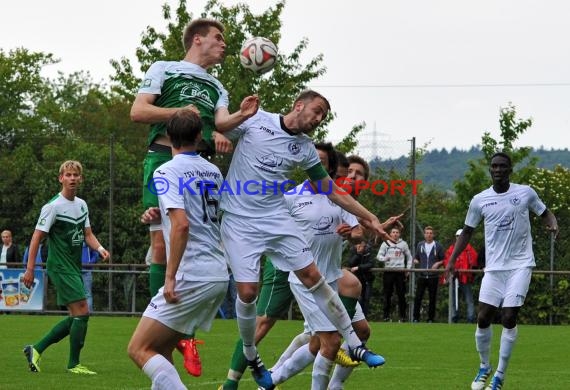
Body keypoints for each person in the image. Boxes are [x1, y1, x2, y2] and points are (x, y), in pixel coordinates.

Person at [216, 91, 395, 388]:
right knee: (247, 294)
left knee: (318, 279)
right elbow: (215, 127)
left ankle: (356, 345)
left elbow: (334, 191)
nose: (318, 118)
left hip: (274, 218)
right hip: (239, 219)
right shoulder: (257, 119)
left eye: (323, 115)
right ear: (298, 104)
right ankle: (251, 356)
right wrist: (226, 124)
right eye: (317, 110)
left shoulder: (305, 148)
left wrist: (370, 218)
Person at [131, 17, 259, 376]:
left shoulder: (217, 85)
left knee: (195, 235)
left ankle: (180, 332)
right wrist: (179, 113)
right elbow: (138, 111)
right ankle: (175, 327)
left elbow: (217, 124)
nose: (224, 44)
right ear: (197, 39)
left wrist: (239, 118)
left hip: (197, 163)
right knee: (160, 244)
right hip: (163, 156)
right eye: (218, 38)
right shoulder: (165, 69)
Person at [218, 144, 370, 390]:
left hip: (324, 274)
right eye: (346, 173)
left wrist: (367, 230)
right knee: (267, 324)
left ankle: (329, 367)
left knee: (346, 326)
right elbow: (269, 221)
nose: (349, 178)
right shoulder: (293, 196)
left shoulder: (342, 200)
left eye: (355, 174)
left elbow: (359, 228)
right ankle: (231, 381)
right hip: (291, 271)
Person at [127, 109, 229, 390]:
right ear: (199, 136)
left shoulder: (166, 171)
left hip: (191, 273)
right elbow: (199, 215)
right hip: (217, 273)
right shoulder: (213, 171)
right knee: (160, 351)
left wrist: (170, 277)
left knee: (139, 349)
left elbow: (182, 225)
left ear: (168, 137)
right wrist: (159, 213)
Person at [444, 152, 558, 390]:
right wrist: (452, 259)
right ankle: (484, 366)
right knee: (483, 317)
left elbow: (545, 212)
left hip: (520, 264)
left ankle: (499, 375)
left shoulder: (525, 192)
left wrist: (552, 223)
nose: (497, 170)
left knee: (508, 317)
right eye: (494, 166)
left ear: (510, 169)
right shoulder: (479, 200)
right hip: (494, 269)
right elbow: (467, 231)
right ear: (490, 170)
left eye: (502, 166)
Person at [22, 160, 110, 375]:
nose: (72, 178)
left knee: (76, 316)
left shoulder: (81, 204)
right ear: (60, 178)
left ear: (80, 179)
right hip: (60, 266)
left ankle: (36, 349)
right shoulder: (53, 206)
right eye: (68, 175)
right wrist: (30, 269)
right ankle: (73, 364)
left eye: (75, 175)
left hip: (73, 266)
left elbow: (87, 234)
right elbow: (36, 238)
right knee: (83, 311)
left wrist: (100, 248)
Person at [377, 226, 413, 322]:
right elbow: (379, 256)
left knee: (401, 295)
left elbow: (409, 257)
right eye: (393, 232)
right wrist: (384, 258)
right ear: (390, 233)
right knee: (387, 294)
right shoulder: (386, 243)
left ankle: (403, 317)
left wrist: (408, 269)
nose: (395, 234)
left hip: (400, 272)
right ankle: (386, 316)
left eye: (397, 232)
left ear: (399, 234)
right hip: (388, 271)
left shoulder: (403, 244)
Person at [442, 229, 478, 323]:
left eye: (460, 236)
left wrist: (469, 272)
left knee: (469, 299)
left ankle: (470, 318)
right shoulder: (451, 249)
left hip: (465, 277)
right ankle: (454, 317)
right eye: (457, 236)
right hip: (454, 277)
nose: (458, 238)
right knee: (453, 299)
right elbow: (447, 260)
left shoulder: (469, 248)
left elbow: (474, 261)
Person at [412, 226, 445, 323]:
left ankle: (430, 318)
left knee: (432, 298)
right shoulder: (420, 245)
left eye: (430, 233)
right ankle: (415, 318)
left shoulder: (438, 246)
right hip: (422, 275)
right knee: (418, 297)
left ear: (433, 235)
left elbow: (444, 259)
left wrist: (438, 263)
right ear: (424, 234)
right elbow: (416, 257)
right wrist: (415, 260)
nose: (429, 235)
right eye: (427, 233)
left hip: (433, 276)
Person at [346, 240, 374, 316]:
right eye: (358, 244)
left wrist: (359, 267)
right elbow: (350, 263)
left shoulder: (368, 250)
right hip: (356, 279)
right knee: (358, 298)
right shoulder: (353, 250)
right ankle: (357, 316)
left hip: (367, 279)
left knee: (366, 298)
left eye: (362, 244)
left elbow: (370, 264)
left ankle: (365, 317)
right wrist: (358, 254)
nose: (360, 246)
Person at [81, 241, 99, 313]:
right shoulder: (74, 241)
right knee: (85, 294)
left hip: (85, 270)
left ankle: (88, 313)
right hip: (76, 270)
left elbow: (96, 255)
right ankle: (79, 313)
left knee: (87, 294)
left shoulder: (89, 242)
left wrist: (89, 263)